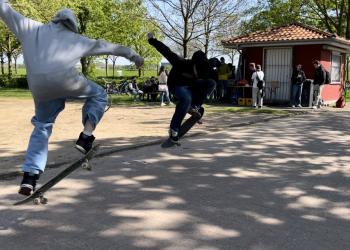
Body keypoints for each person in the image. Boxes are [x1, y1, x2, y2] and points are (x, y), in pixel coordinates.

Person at [0, 2, 144, 196]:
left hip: (40, 87)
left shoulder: (30, 27)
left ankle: (29, 177)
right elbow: (107, 46)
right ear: (72, 25)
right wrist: (133, 55)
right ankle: (86, 136)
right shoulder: (76, 39)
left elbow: (6, 10)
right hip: (68, 81)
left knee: (42, 126)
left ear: (56, 19)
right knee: (100, 94)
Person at [147, 32, 216, 144]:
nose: (198, 74)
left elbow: (207, 80)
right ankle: (174, 128)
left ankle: (195, 106)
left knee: (211, 83)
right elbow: (166, 50)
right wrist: (152, 40)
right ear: (194, 65)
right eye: (198, 72)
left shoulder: (203, 69)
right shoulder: (180, 62)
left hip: (191, 87)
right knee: (186, 97)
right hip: (176, 86)